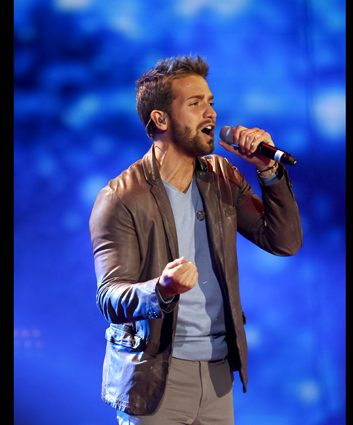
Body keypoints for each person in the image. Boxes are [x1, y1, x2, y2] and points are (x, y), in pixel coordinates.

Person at [89, 54, 302, 424]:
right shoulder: (121, 197)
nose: (211, 113)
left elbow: (283, 241)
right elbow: (110, 298)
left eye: (210, 102)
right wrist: (161, 288)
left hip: (218, 374)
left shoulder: (222, 176)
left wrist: (267, 169)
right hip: (155, 379)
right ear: (161, 119)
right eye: (195, 103)